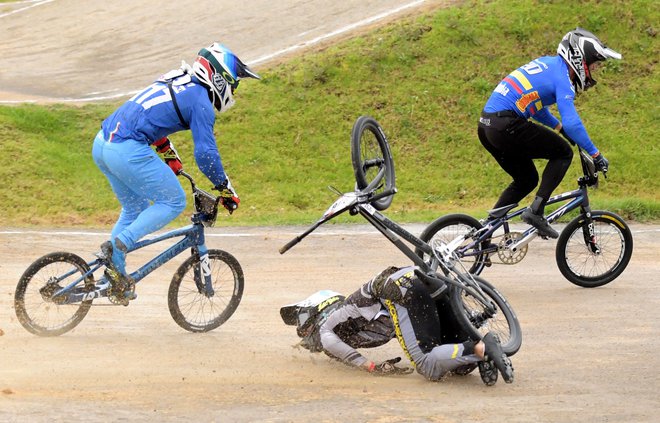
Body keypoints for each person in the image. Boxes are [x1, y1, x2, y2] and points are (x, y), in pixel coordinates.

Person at [92, 42, 260, 305]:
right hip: (125, 148)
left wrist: (168, 153)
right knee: (173, 201)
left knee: (134, 206)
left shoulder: (179, 79)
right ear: (219, 77)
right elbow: (206, 155)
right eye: (233, 83)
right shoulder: (201, 102)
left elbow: (150, 114)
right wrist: (225, 188)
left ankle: (116, 273)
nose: (234, 89)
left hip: (102, 143)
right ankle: (121, 243)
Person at [477, 28, 621, 238]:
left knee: (526, 180)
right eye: (592, 65)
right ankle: (535, 211)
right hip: (506, 124)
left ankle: (485, 230)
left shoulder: (548, 64)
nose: (592, 71)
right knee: (563, 153)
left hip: (487, 126)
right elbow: (573, 122)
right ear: (580, 60)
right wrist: (596, 154)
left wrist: (558, 128)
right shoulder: (563, 78)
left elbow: (534, 105)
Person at [281, 266, 514, 385]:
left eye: (304, 324)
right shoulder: (353, 317)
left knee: (427, 366)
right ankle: (484, 353)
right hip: (419, 281)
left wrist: (371, 367)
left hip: (400, 291)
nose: (304, 334)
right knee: (456, 369)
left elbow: (328, 339)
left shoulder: (329, 321)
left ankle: (480, 347)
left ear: (320, 307)